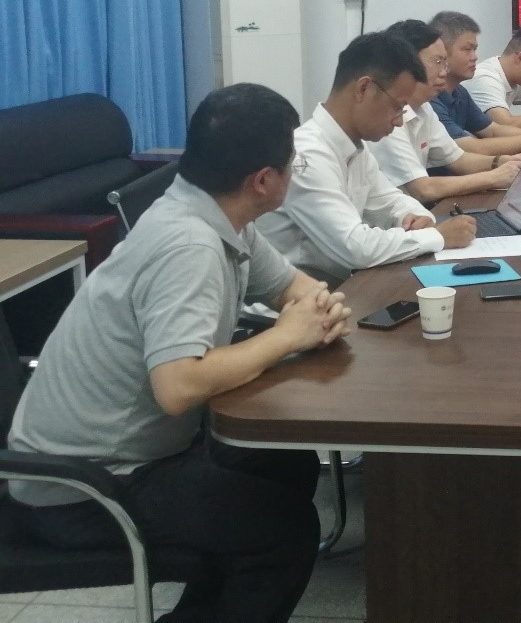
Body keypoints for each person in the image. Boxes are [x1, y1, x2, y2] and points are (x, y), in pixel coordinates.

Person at [7, 83, 354, 623]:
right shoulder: (188, 244)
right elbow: (179, 386)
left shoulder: (218, 214)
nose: (295, 171)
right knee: (283, 532)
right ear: (264, 181)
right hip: (83, 487)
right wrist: (289, 336)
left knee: (284, 462)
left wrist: (318, 310)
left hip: (133, 454)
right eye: (294, 163)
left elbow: (293, 288)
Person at [258, 31, 476, 284]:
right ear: (363, 89)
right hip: (293, 301)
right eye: (397, 107)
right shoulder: (307, 154)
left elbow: (390, 200)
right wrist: (437, 236)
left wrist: (415, 216)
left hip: (339, 287)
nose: (399, 121)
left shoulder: (355, 148)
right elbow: (355, 247)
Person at [367, 19, 521, 203]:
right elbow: (422, 189)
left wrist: (503, 162)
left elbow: (459, 160)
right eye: (438, 62)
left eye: (445, 63)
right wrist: (494, 177)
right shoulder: (387, 116)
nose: (444, 72)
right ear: (407, 64)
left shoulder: (424, 107)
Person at [429, 11, 521, 157]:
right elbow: (470, 148)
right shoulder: (431, 100)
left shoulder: (460, 92)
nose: (475, 57)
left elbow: (492, 131)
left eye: (475, 50)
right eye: (467, 49)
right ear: (441, 51)